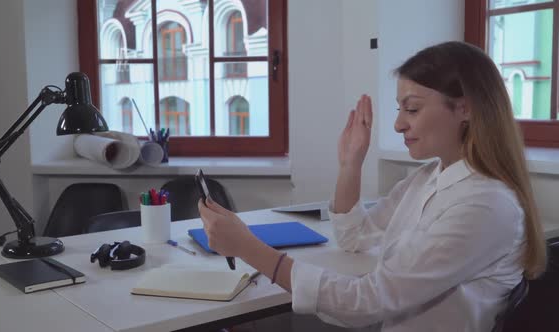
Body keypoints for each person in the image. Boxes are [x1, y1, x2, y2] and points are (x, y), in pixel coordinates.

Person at [197, 41, 547, 331]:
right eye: (400, 109)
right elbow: (356, 237)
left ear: (464, 109)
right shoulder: (429, 179)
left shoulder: (485, 206)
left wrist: (248, 247)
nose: (397, 124)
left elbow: (367, 301)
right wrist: (351, 164)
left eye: (412, 109)